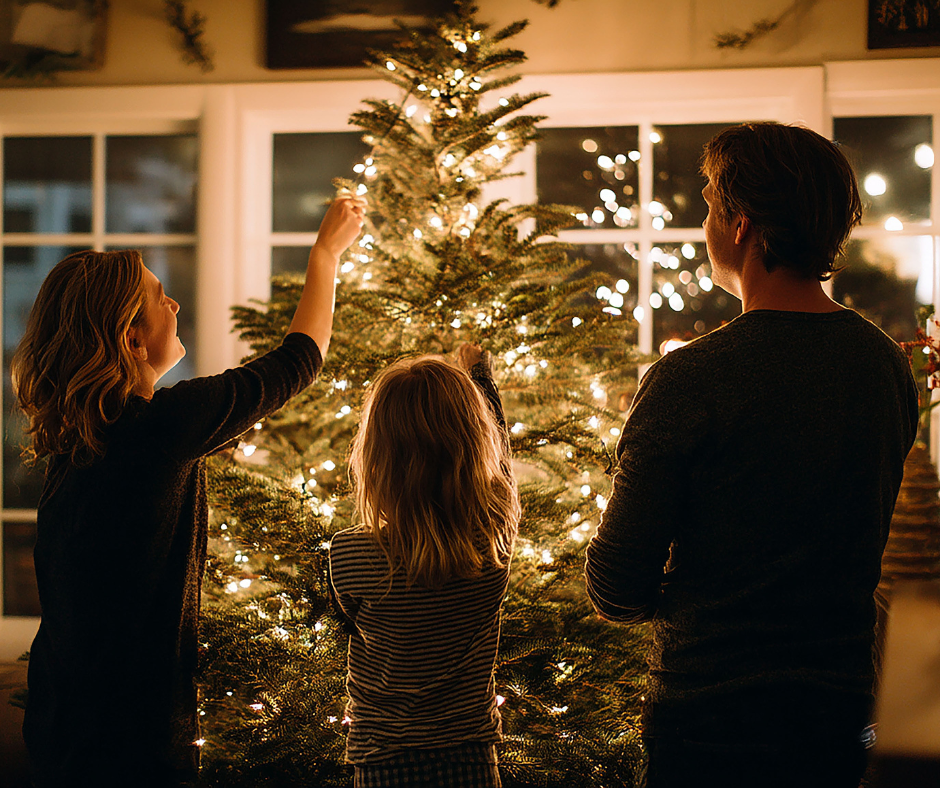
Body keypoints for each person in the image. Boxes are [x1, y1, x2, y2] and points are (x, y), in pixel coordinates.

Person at [584, 122, 919, 788]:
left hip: (712, 715)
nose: (704, 222)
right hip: (842, 712)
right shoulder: (883, 366)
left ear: (741, 225)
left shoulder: (691, 378)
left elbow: (616, 587)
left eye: (709, 206)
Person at [13, 194, 366, 787]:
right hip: (128, 740)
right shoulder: (159, 429)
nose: (174, 302)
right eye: (159, 296)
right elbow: (300, 359)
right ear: (132, 339)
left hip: (61, 725)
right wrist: (325, 255)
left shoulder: (76, 446)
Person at [329, 345, 520, 788]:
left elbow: (351, 619)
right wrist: (481, 379)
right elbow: (502, 469)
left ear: (375, 454)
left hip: (382, 763)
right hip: (471, 760)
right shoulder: (492, 542)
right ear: (477, 445)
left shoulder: (350, 554)